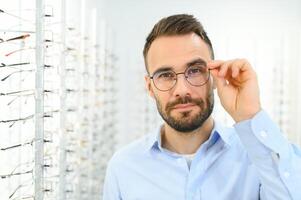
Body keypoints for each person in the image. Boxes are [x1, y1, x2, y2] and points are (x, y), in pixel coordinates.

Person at [103, 14, 301, 200]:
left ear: (214, 76)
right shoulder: (123, 168)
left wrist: (250, 115)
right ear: (150, 87)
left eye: (195, 70)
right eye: (165, 75)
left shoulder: (259, 156)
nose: (182, 90)